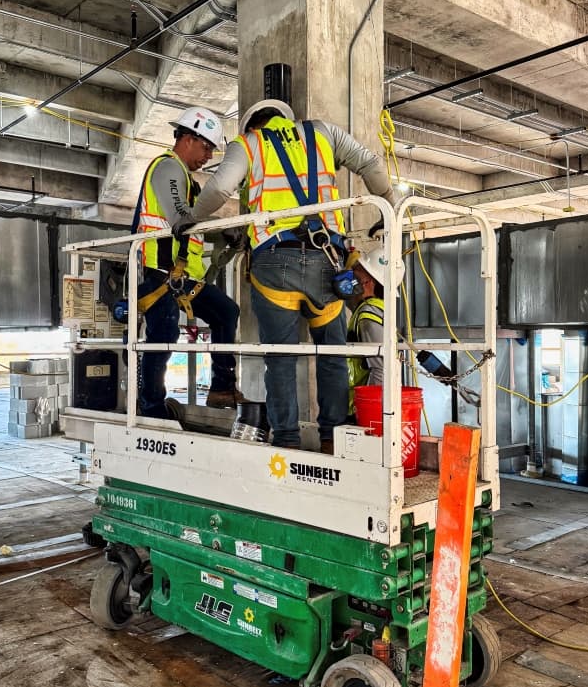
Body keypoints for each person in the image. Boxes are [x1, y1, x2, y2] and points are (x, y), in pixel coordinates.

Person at [181, 99, 394, 453]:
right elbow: (370, 162)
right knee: (332, 354)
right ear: (287, 120)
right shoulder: (322, 133)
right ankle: (332, 439)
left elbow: (218, 190)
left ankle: (287, 442)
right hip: (328, 260)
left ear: (252, 126)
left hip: (274, 264)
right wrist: (390, 208)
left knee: (280, 358)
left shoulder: (248, 144)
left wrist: (190, 219)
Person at [135, 106, 242, 419]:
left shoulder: (185, 179)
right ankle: (152, 407)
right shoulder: (167, 168)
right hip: (159, 273)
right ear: (187, 138)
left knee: (226, 312)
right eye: (206, 147)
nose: (208, 156)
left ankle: (222, 386)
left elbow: (189, 227)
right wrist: (219, 223)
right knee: (162, 337)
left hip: (182, 277)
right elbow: (180, 218)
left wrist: (226, 231)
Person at [347, 248, 386, 412]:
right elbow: (349, 299)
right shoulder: (370, 308)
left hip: (361, 407)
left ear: (368, 282)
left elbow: (380, 369)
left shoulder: (368, 315)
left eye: (358, 273)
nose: (353, 275)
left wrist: (369, 410)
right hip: (358, 401)